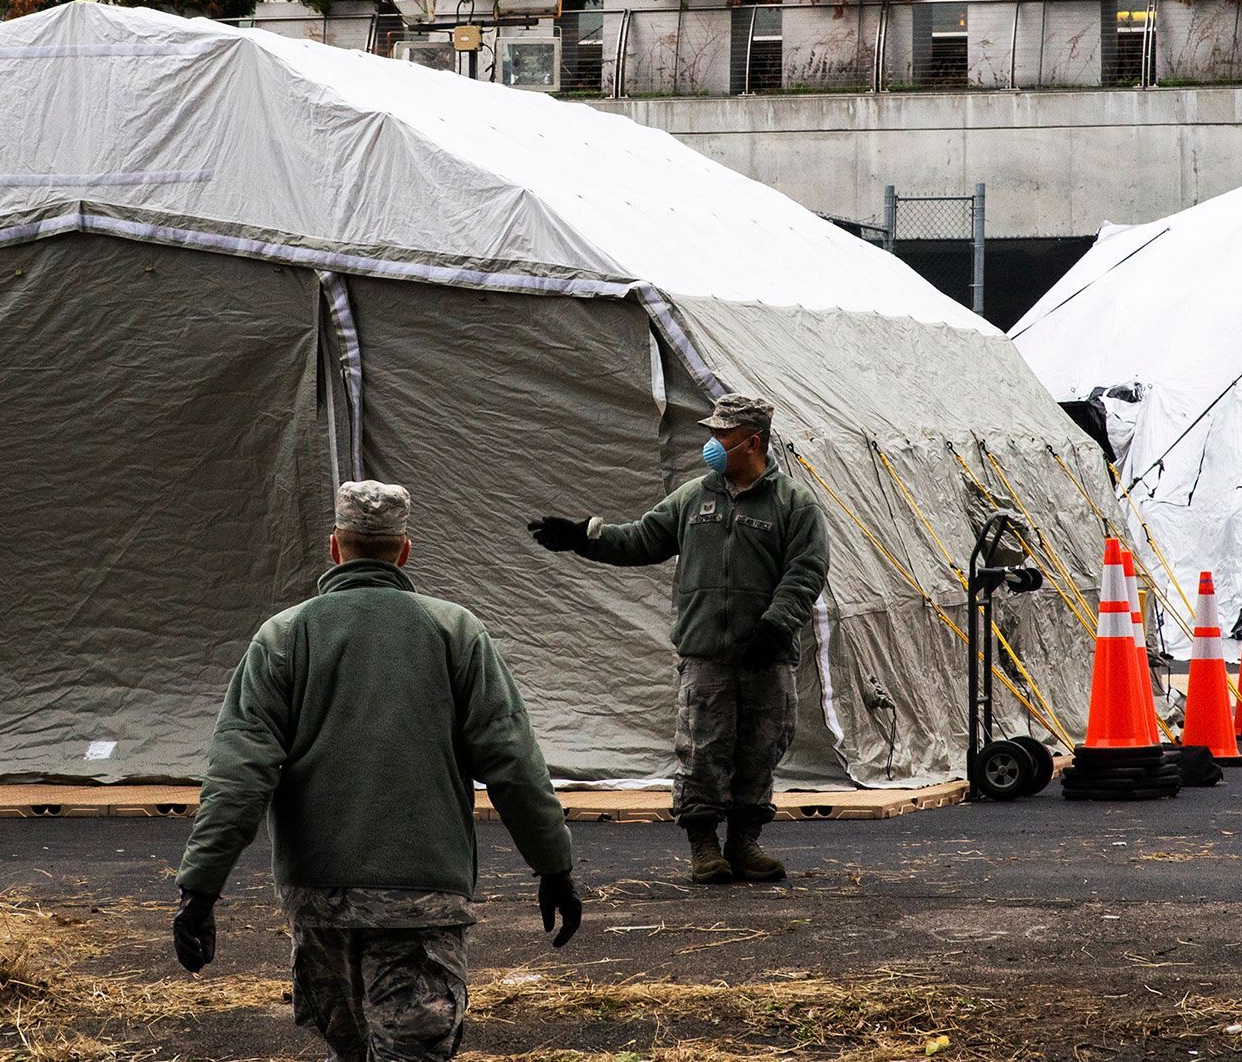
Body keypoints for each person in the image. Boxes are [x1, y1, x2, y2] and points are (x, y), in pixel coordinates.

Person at [173, 480, 582, 1062]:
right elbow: (513, 761)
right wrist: (554, 865)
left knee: (348, 1050)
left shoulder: (283, 637)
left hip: (320, 897)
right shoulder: (456, 632)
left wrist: (200, 888)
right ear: (405, 550)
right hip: (422, 892)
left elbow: (239, 775)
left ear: (334, 547)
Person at [525, 393, 830, 886]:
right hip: (705, 652)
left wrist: (776, 625)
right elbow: (642, 538)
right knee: (703, 750)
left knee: (761, 748)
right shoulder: (693, 498)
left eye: (722, 436)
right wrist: (584, 536)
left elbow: (807, 569)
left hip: (766, 655)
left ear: (752, 442)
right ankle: (704, 847)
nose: (712, 443)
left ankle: (745, 844)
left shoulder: (794, 504)